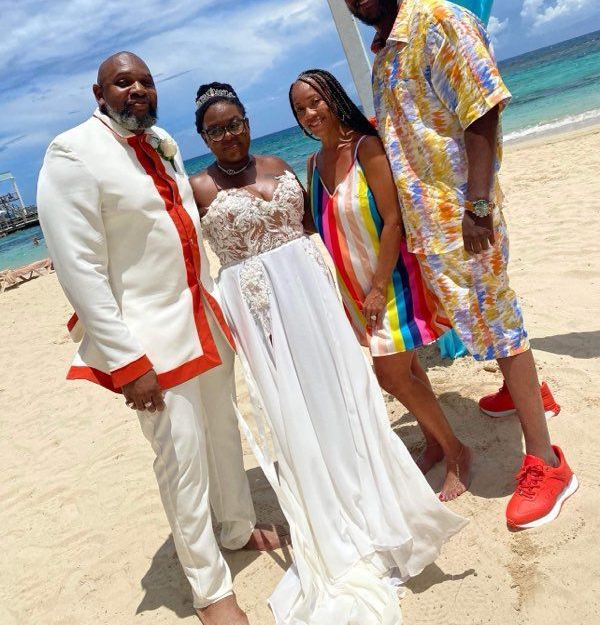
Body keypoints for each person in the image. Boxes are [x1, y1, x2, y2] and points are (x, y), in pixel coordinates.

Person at [190, 82, 467, 625]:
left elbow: (323, 226)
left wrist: (352, 289)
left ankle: (396, 475)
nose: (228, 135)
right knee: (296, 406)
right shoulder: (196, 186)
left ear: (248, 119)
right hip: (260, 310)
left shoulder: (284, 163)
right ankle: (334, 504)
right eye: (215, 130)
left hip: (315, 294)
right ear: (203, 137)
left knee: (346, 391)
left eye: (235, 122)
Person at [332, 0, 576, 529]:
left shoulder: (439, 22)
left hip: (462, 216)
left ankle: (547, 462)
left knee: (499, 320)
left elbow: (483, 112)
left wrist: (478, 204)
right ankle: (528, 396)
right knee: (478, 319)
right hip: (429, 225)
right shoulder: (384, 54)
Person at [37, 52, 285, 625]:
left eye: (146, 82)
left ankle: (236, 528)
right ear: (99, 94)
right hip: (150, 341)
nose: (138, 91)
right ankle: (210, 590)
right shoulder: (72, 153)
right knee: (183, 460)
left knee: (222, 434)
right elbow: (79, 270)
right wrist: (128, 362)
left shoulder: (161, 142)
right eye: (124, 83)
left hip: (203, 321)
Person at [289, 68, 472, 501]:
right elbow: (316, 225)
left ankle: (457, 451)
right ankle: (432, 441)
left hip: (391, 281)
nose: (310, 113)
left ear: (333, 97)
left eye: (315, 101)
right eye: (300, 109)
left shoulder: (366, 147)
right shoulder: (314, 164)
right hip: (353, 290)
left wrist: (376, 287)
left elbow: (392, 221)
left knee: (390, 375)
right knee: (407, 369)